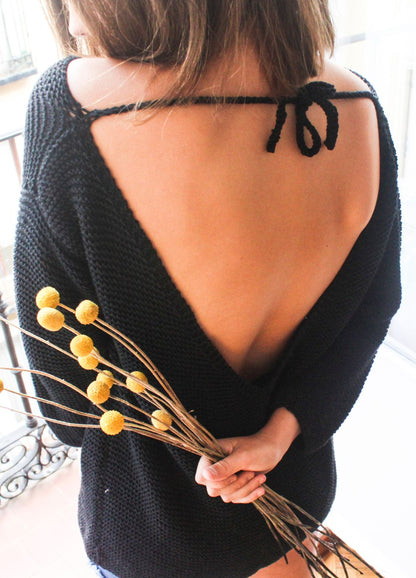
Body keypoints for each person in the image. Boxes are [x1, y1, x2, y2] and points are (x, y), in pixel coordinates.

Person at [14, 1, 401, 576]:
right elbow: (373, 312)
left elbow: (69, 409)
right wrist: (277, 436)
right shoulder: (356, 106)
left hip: (158, 538)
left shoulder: (72, 109)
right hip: (290, 508)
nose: (70, 21)